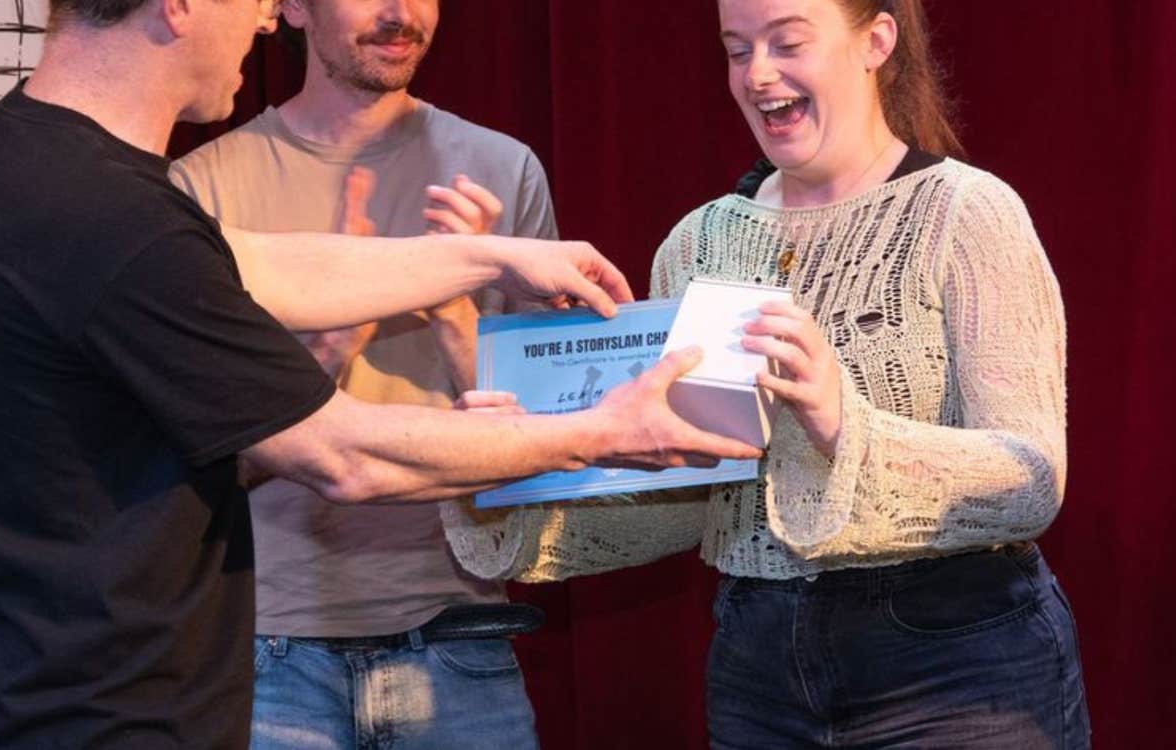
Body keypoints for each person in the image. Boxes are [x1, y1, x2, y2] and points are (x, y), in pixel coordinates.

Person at [0, 0, 763, 745]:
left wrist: (486, 256)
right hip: (109, 716)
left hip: (21, 699)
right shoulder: (107, 216)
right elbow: (345, 457)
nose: (269, 15)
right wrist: (607, 432)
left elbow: (252, 265)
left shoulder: (0, 158)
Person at [445, 0, 1090, 747]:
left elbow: (1033, 479)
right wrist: (508, 469)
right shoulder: (697, 243)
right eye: (736, 49)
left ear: (876, 41)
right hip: (759, 666)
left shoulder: (967, 212)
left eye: (787, 43)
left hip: (954, 660)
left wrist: (846, 423)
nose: (758, 75)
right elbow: (695, 502)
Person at [169, 1, 555, 747]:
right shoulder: (201, 192)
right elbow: (191, 472)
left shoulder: (502, 170)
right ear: (291, 9)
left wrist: (449, 301)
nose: (399, 12)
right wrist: (331, 341)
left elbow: (545, 455)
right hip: (267, 656)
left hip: (462, 637)